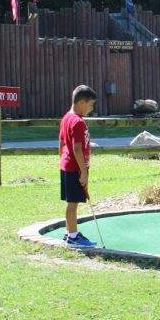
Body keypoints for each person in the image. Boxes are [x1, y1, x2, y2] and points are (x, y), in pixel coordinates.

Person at [59, 85, 97, 247]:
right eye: (90, 105)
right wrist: (83, 172)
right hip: (74, 168)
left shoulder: (66, 117)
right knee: (73, 202)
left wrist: (62, 161)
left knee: (71, 201)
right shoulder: (77, 122)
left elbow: (61, 143)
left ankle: (69, 231)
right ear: (81, 102)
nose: (91, 108)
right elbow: (77, 148)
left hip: (67, 165)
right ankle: (73, 237)